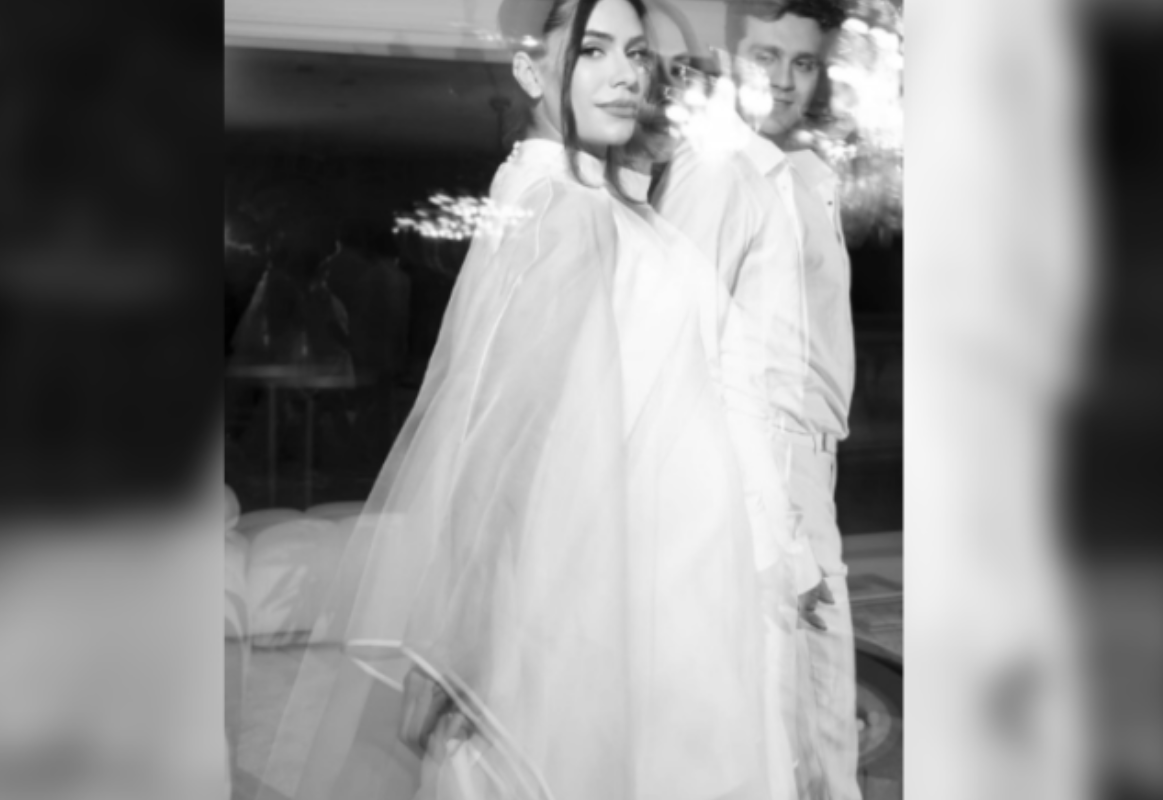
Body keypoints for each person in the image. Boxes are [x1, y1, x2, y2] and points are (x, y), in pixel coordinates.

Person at [251, 0, 794, 798]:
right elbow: (509, 435)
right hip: (613, 590)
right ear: (531, 71)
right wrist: (459, 643)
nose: (625, 75)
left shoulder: (584, 195)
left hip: (662, 580)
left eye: (635, 53)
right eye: (593, 51)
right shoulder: (562, 209)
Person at [651, 1, 860, 798]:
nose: (784, 79)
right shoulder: (720, 172)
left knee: (814, 723)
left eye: (802, 62)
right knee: (794, 725)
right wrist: (771, 523)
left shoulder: (794, 172)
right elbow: (678, 353)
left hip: (805, 469)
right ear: (731, 56)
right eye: (766, 55)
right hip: (765, 475)